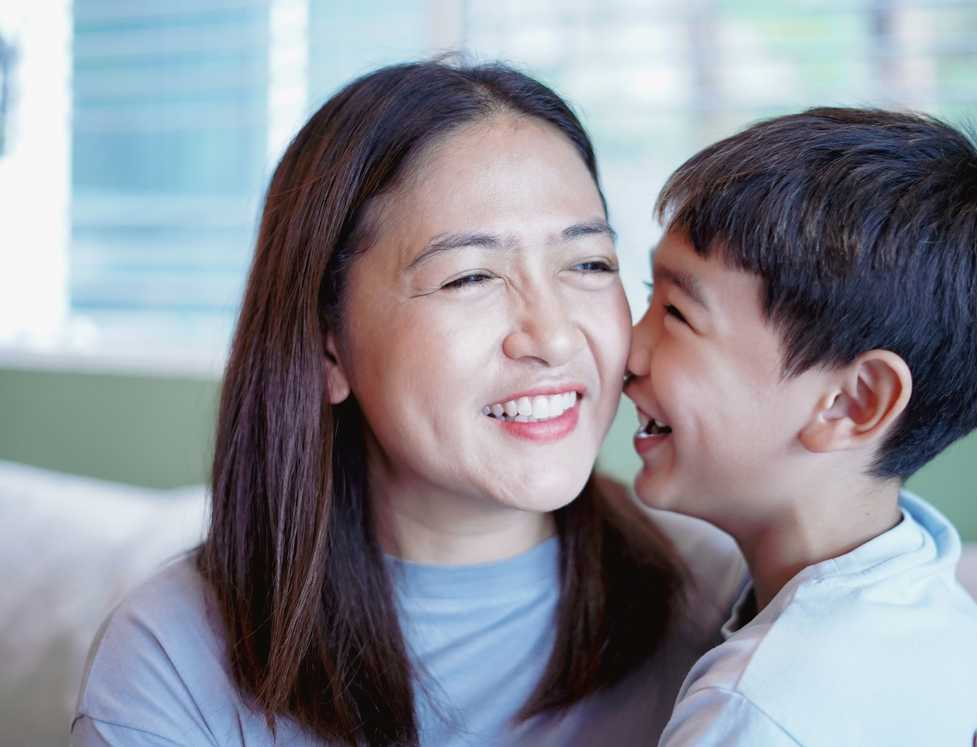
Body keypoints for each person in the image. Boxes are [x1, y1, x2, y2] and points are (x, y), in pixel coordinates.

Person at [70, 60, 744, 747]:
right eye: (471, 276)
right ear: (328, 346)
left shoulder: (725, 605)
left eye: (588, 263)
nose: (554, 335)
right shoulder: (172, 660)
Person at [624, 108, 977, 746]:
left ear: (851, 402)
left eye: (677, 314)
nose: (628, 352)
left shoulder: (753, 709)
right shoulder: (923, 583)